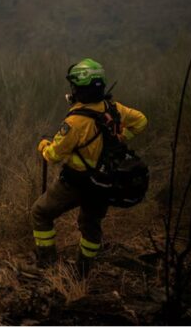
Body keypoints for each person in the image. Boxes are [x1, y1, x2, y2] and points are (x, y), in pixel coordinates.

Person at [32, 58, 148, 275]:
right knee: (90, 226)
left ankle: (46, 263)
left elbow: (55, 155)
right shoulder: (114, 109)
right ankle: (83, 271)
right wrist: (123, 137)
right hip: (104, 183)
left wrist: (43, 146)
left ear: (80, 90)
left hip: (75, 182)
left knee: (40, 212)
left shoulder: (75, 122)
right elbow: (141, 121)